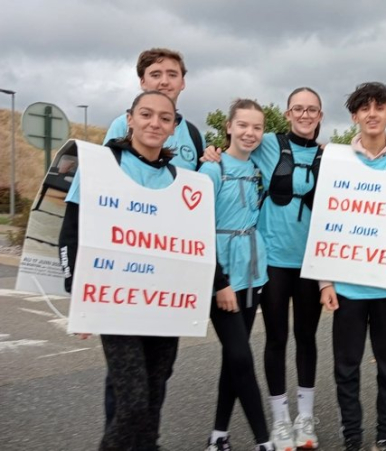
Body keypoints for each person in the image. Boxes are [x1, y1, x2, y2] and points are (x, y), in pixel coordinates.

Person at [58, 90, 185, 450]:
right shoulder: (101, 164)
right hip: (116, 301)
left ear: (173, 127)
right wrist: (78, 293)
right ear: (130, 118)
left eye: (164, 118)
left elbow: (190, 242)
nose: (154, 123)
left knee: (154, 397)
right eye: (146, 114)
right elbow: (71, 232)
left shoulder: (178, 178)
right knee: (130, 404)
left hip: (163, 303)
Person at [204, 87, 326, 451]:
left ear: (320, 116)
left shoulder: (331, 155)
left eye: (312, 110)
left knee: (307, 338)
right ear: (287, 114)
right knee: (275, 339)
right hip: (270, 260)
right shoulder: (267, 143)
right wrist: (210, 153)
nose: (305, 115)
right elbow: (232, 152)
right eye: (298, 109)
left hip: (310, 262)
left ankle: (305, 418)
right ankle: (280, 420)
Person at [319, 82, 386, 451]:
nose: (372, 114)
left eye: (379, 107)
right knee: (346, 369)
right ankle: (352, 436)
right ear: (354, 116)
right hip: (347, 289)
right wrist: (325, 282)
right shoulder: (337, 162)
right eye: (364, 108)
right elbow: (325, 219)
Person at [200, 99, 273, 451]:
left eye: (257, 127)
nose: (250, 132)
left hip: (252, 273)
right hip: (222, 276)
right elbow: (197, 230)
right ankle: (265, 440)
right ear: (229, 126)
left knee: (235, 356)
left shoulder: (258, 168)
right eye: (243, 125)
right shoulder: (212, 170)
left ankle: (218, 436)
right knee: (242, 356)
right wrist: (220, 283)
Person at [104, 47, 205, 171]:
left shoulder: (195, 135)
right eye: (156, 75)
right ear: (143, 82)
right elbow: (105, 173)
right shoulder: (122, 125)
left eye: (172, 75)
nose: (164, 81)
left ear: (182, 82)